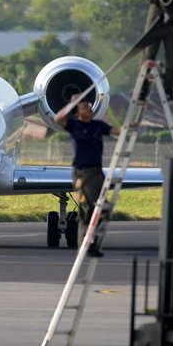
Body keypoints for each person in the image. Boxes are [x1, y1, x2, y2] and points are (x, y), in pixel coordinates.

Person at [54, 96, 121, 256]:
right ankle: (85, 245)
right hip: (82, 174)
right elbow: (58, 118)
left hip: (97, 173)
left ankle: (94, 244)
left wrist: (130, 127)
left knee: (103, 210)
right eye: (85, 107)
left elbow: (115, 131)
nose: (89, 109)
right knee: (89, 209)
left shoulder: (98, 126)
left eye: (89, 107)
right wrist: (72, 103)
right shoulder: (73, 125)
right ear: (77, 112)